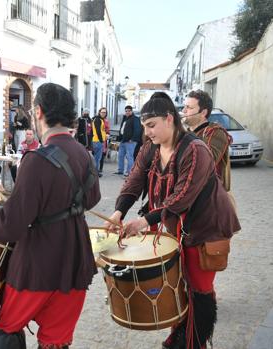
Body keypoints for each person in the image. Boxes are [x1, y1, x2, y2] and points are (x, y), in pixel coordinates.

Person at [0, 82, 101, 349]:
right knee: (55, 342)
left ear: (39, 112)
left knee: (6, 329)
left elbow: (10, 226)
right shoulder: (84, 155)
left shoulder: (36, 160)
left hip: (38, 264)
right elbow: (92, 198)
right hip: (75, 261)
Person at [103, 92, 240, 349]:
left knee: (199, 287)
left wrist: (143, 222)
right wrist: (118, 212)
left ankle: (194, 341)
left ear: (169, 119)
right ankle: (178, 331)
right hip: (176, 226)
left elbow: (181, 197)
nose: (148, 132)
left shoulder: (196, 149)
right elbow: (134, 180)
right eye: (144, 127)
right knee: (177, 281)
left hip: (206, 227)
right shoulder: (151, 148)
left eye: (152, 125)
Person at [183, 89, 232, 191]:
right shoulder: (185, 134)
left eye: (189, 107)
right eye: (185, 107)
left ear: (203, 112)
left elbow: (206, 162)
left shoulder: (216, 133)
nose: (184, 111)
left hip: (210, 197)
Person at [92, 107, 109, 177]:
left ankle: (95, 172)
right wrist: (101, 140)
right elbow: (98, 131)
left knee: (97, 158)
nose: (103, 114)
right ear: (99, 112)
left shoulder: (100, 120)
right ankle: (95, 173)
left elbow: (102, 130)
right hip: (97, 141)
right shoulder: (97, 120)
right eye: (102, 112)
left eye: (105, 112)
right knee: (97, 158)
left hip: (98, 141)